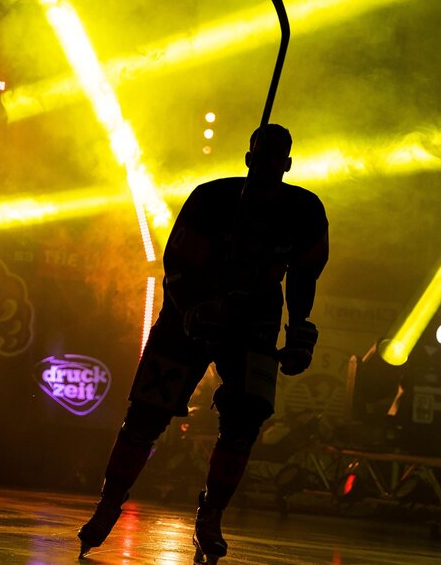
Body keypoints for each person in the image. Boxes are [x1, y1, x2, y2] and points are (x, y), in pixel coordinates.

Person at [78, 123, 329, 563]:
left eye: (277, 158)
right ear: (248, 158)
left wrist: (300, 328)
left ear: (288, 164)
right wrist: (194, 309)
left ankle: (210, 516)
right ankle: (109, 502)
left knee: (245, 420)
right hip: (188, 316)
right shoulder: (212, 199)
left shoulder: (305, 211)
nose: (269, 165)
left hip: (254, 322)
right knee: (147, 413)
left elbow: (304, 275)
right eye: (262, 155)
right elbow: (175, 265)